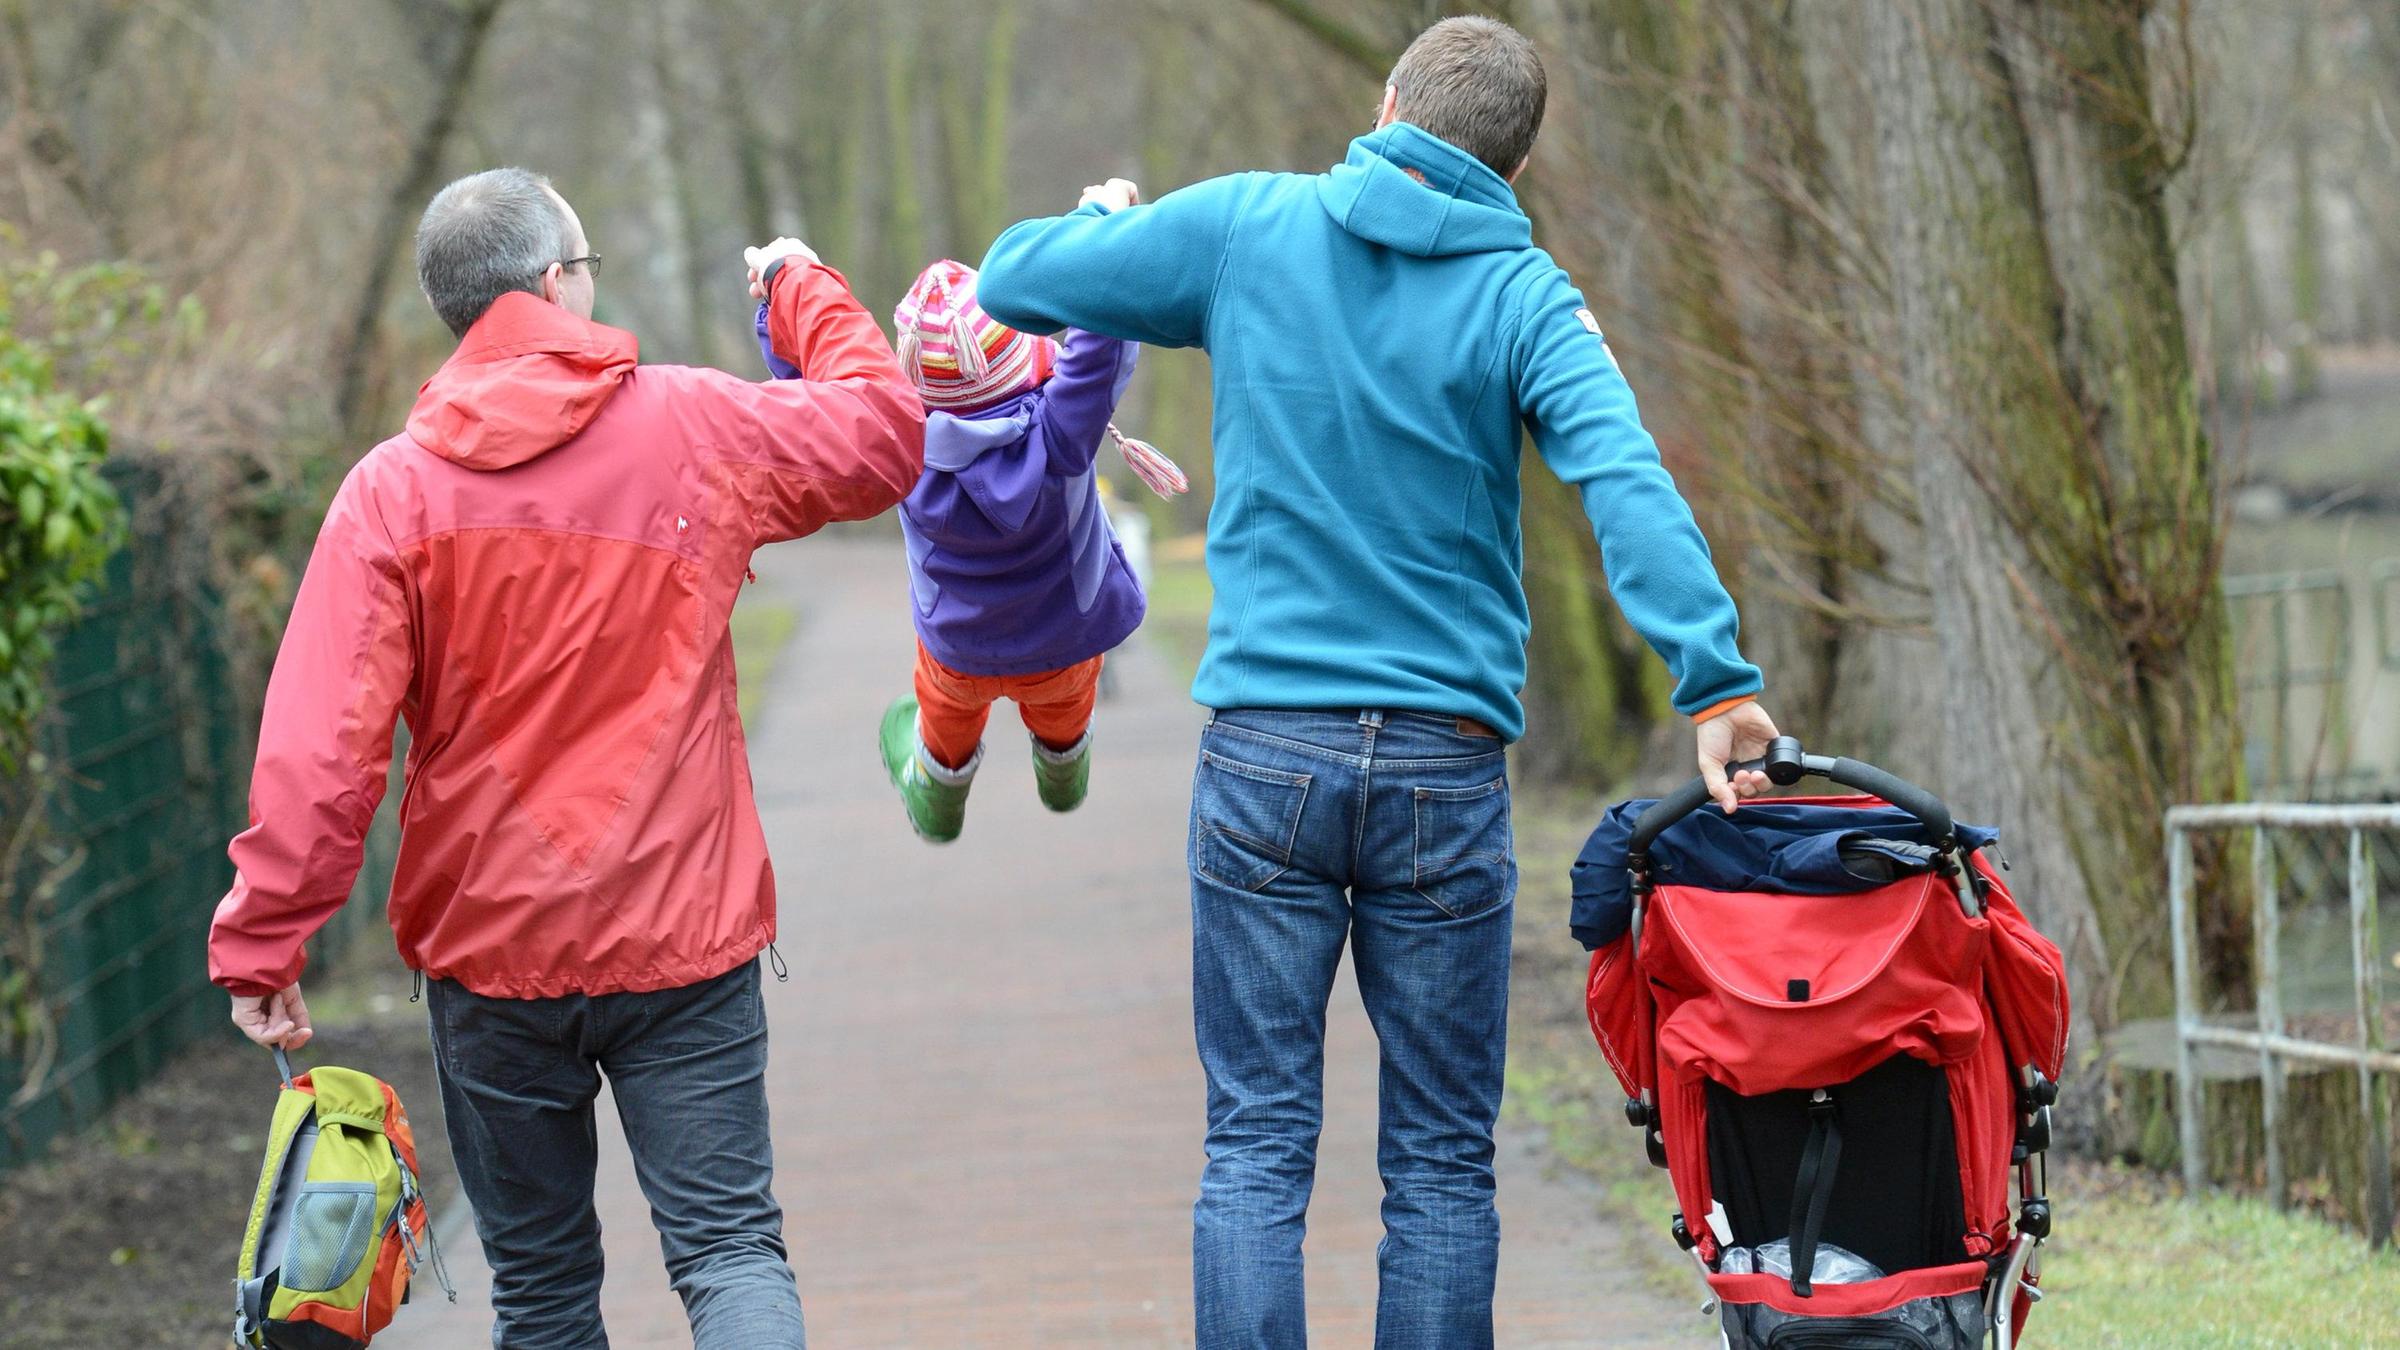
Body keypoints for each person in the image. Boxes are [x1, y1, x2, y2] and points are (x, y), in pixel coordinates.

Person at [976, 17, 1780, 1348]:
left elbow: (1013, 280)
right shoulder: (1528, 298)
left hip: (1264, 766)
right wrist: (1714, 682)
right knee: (1444, 1163)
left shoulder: (1245, 225)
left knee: (1254, 1147)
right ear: (1511, 163)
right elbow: (1625, 479)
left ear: (1391, 100)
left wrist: (1099, 213)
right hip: (1439, 773)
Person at [206, 166, 922, 1349]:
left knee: (539, 1288)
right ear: (554, 282)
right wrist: (799, 289)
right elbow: (888, 434)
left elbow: (322, 754)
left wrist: (266, 934)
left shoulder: (389, 494)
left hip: (492, 955)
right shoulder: (695, 424)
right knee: (730, 1250)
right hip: (681, 931)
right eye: (585, 268)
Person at [769, 258, 1181, 843]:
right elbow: (1102, 346)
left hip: (957, 652)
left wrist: (778, 304)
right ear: (1021, 359)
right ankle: (1063, 770)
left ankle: (938, 797)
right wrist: (1103, 221)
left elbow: (812, 398)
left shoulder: (899, 450)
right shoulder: (1062, 432)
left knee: (944, 716)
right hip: (1065, 642)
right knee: (1064, 704)